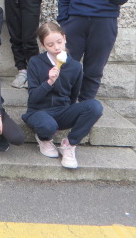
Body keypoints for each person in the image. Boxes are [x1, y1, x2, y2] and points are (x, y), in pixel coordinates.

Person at [57, 0, 129, 101]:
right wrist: (64, 23)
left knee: (94, 69)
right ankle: (64, 103)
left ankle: (86, 104)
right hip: (76, 22)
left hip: (104, 24)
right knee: (67, 65)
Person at [22, 22, 104, 169]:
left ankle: (69, 144)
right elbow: (33, 98)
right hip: (39, 112)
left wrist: (68, 113)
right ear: (43, 45)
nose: (56, 47)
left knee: (95, 106)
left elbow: (74, 96)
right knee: (48, 125)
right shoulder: (35, 62)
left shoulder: (75, 67)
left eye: (59, 42)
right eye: (50, 45)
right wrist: (49, 82)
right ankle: (44, 138)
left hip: (62, 110)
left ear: (65, 38)